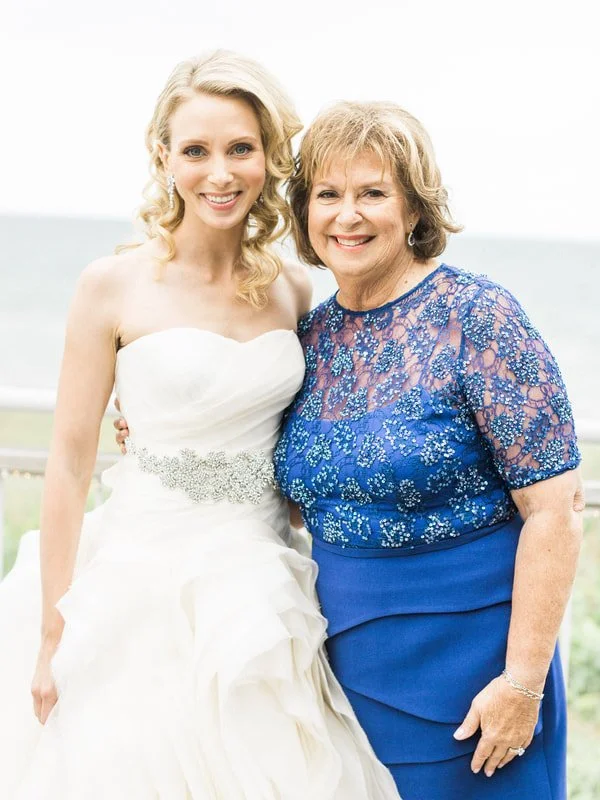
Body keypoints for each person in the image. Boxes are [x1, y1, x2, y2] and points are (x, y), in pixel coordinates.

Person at [0, 56, 399, 799]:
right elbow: (66, 464)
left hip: (258, 579)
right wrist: (57, 627)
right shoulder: (110, 286)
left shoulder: (292, 285)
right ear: (164, 158)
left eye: (240, 149)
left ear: (268, 157)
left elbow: (300, 434)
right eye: (196, 151)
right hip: (136, 578)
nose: (220, 173)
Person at [270, 102, 583, 799]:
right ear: (305, 211)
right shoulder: (308, 339)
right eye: (328, 194)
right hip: (344, 665)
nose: (347, 215)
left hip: (478, 672)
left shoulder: (480, 316)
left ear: (413, 209)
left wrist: (522, 684)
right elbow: (285, 494)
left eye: (373, 193)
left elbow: (557, 510)